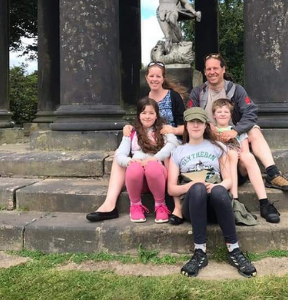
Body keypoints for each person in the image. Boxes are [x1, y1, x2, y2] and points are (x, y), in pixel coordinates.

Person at [86, 61, 185, 222]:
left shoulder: (173, 97)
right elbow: (141, 122)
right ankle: (109, 204)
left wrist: (172, 130)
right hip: (147, 140)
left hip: (169, 142)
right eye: (151, 76)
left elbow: (184, 127)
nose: (154, 79)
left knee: (166, 155)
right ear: (146, 78)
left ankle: (175, 205)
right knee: (120, 154)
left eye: (158, 76)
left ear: (163, 78)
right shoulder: (144, 99)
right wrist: (129, 128)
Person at [187, 53, 288, 192]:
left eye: (215, 68)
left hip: (234, 134)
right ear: (204, 71)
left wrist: (235, 131)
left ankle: (272, 173)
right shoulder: (198, 92)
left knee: (254, 130)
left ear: (223, 69)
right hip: (209, 135)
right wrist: (208, 127)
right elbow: (191, 115)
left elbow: (250, 113)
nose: (212, 72)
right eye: (208, 69)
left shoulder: (236, 90)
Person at [168, 107, 257, 278]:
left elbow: (229, 180)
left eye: (199, 122)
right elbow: (171, 188)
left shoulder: (217, 147)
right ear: (186, 125)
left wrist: (218, 185)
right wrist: (192, 185)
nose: (195, 125)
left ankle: (234, 250)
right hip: (193, 203)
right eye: (192, 122)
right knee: (198, 188)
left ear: (205, 125)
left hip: (217, 203)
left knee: (218, 190)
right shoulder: (178, 151)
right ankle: (200, 252)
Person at [109, 97, 178, 223]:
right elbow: (120, 154)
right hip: (138, 180)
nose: (147, 116)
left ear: (157, 115)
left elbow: (173, 144)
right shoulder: (132, 132)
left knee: (153, 166)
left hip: (158, 177)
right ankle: (135, 205)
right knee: (134, 168)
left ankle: (160, 205)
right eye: (144, 113)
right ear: (138, 115)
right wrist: (129, 161)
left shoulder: (163, 130)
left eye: (151, 113)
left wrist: (155, 158)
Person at [212, 98, 280, 223]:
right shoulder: (211, 132)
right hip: (222, 172)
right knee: (231, 154)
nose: (222, 114)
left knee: (247, 156)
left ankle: (264, 202)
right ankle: (235, 201)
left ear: (231, 115)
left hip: (239, 170)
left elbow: (245, 151)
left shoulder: (238, 131)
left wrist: (238, 155)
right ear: (214, 115)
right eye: (219, 111)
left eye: (226, 112)